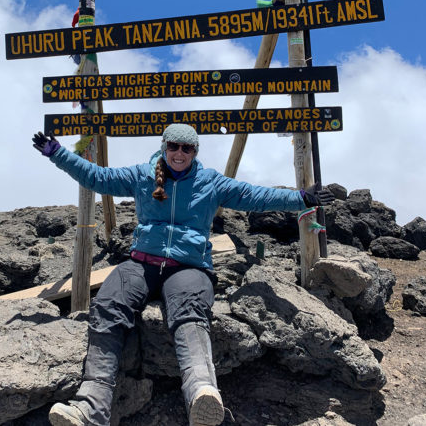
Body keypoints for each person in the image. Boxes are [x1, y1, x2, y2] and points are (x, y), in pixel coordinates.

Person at [32, 124, 334, 426]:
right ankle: (90, 408)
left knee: (189, 313)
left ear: (195, 152)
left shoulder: (210, 182)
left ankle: (202, 392)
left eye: (186, 148)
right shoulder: (142, 175)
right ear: (165, 147)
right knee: (109, 304)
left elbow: (254, 196)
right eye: (174, 146)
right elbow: (97, 177)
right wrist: (57, 154)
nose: (179, 153)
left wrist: (302, 198)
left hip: (189, 268)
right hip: (141, 264)